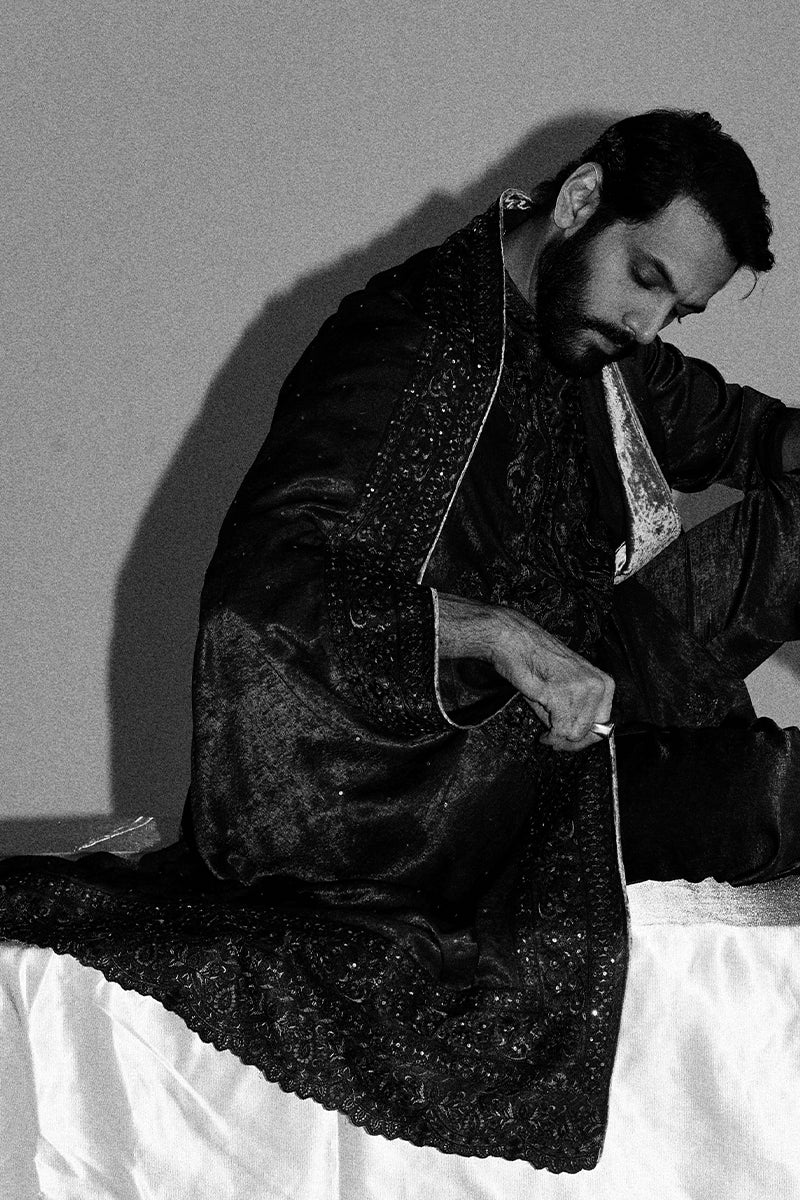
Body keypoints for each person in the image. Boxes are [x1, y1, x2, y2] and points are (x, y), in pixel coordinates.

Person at [3, 108, 800, 1173]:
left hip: (597, 698)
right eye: (644, 279)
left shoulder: (597, 342)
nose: (648, 324)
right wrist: (493, 633)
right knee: (774, 795)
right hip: (441, 785)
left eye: (676, 308)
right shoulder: (409, 340)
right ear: (579, 202)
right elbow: (267, 587)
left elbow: (744, 432)